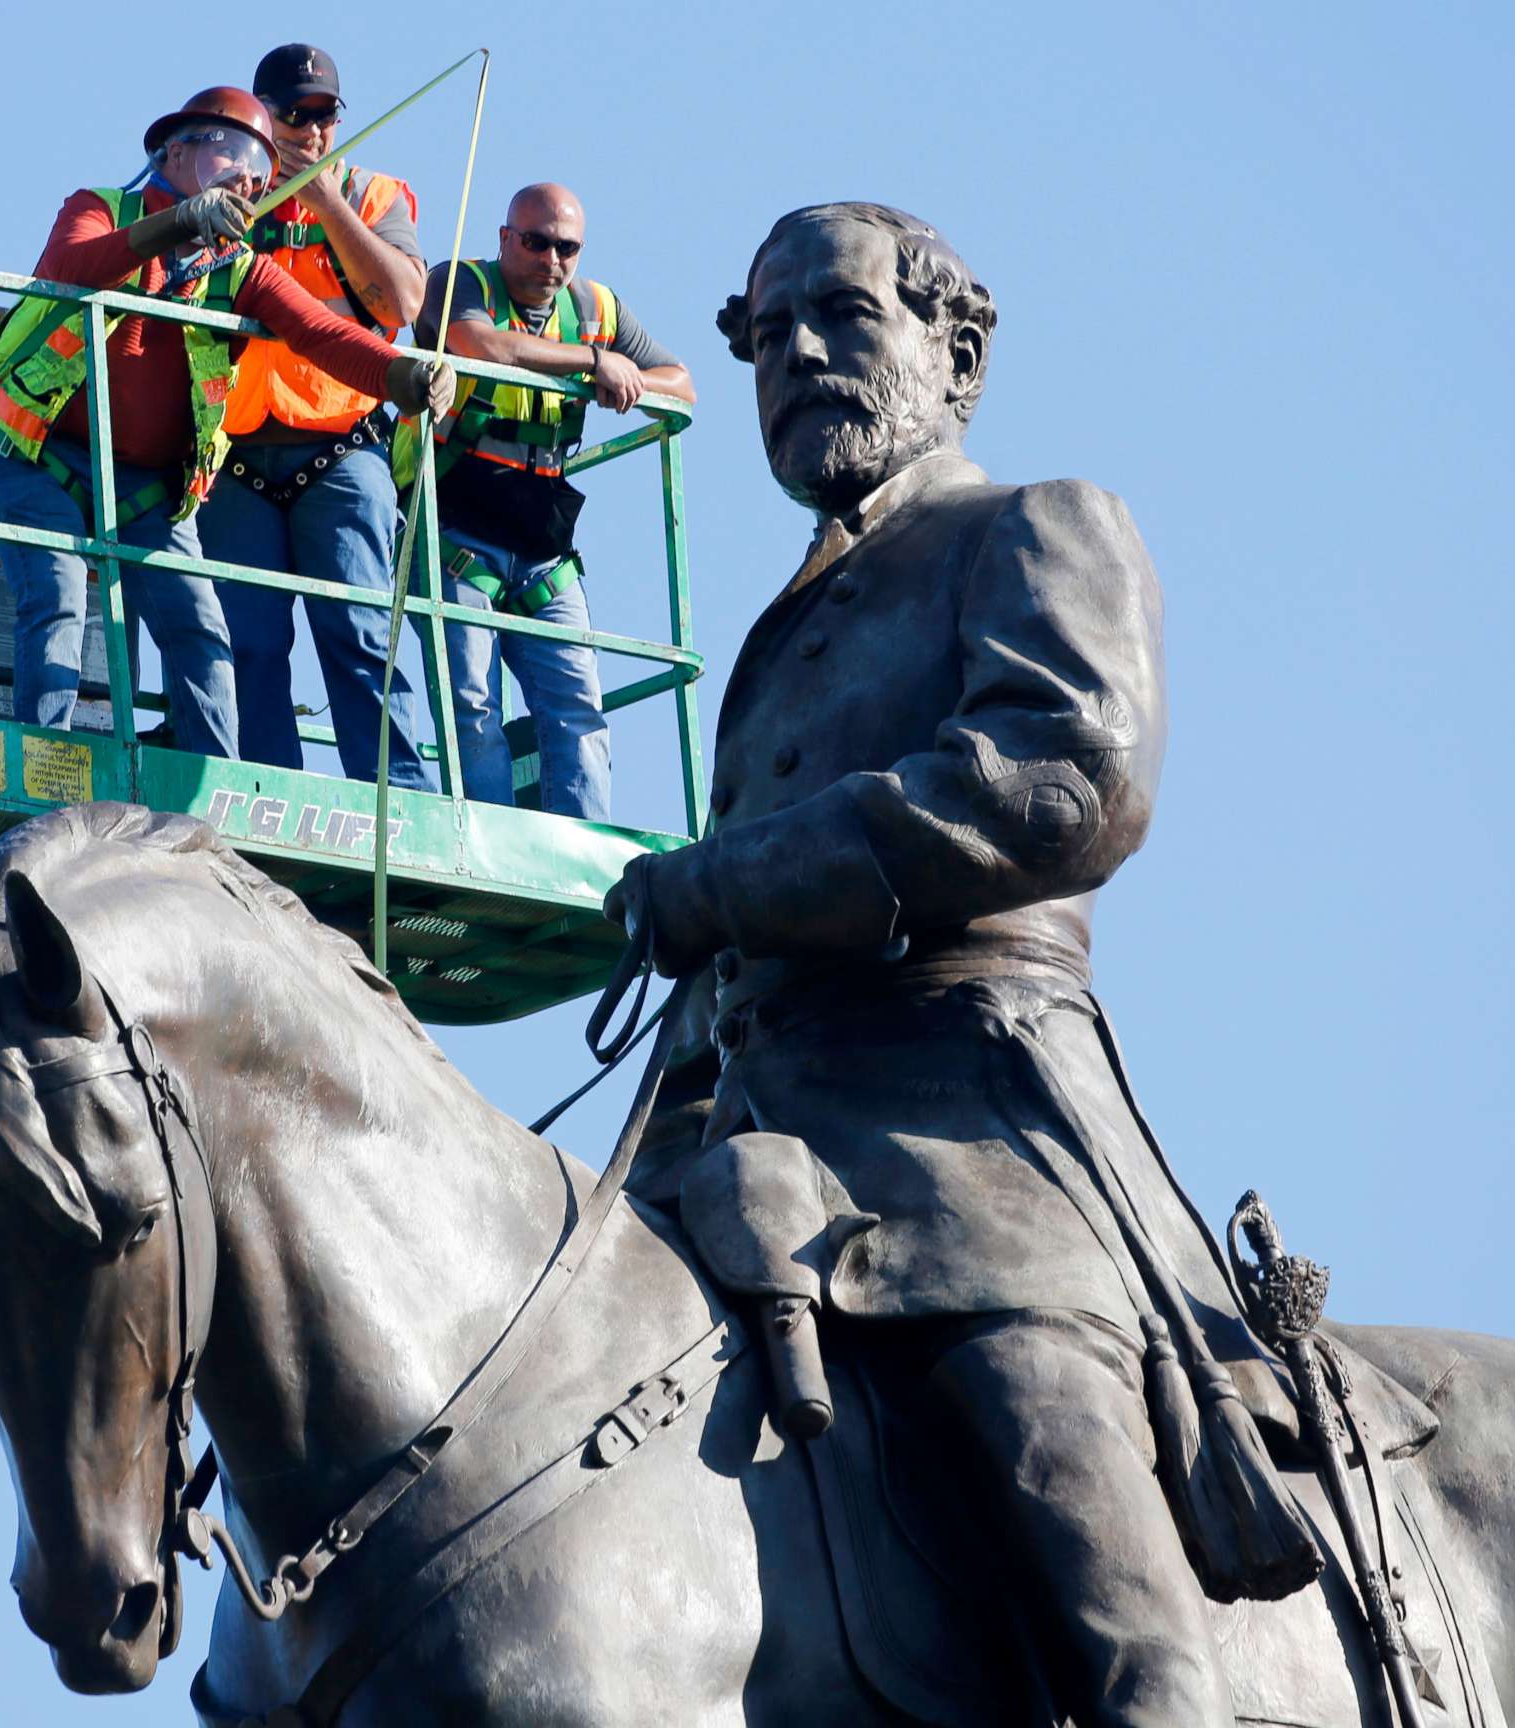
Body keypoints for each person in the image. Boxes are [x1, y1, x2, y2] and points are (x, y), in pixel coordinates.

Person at [605, 205, 1371, 1726]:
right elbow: (732, 969)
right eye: (766, 335)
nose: (796, 357)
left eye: (841, 317)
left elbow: (1067, 777)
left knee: (1070, 1515)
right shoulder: (780, 636)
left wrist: (728, 880)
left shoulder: (1035, 525)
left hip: (972, 1138)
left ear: (956, 355)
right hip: (750, 1151)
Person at [0, 87, 453, 745]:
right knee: (58, 601)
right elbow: (74, 268)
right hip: (32, 456)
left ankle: (211, 808)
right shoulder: (98, 209)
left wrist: (405, 375)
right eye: (230, 148)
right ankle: (44, 781)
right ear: (173, 150)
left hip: (143, 485)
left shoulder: (236, 267)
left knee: (201, 631)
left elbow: (320, 333)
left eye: (257, 160)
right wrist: (175, 224)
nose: (248, 172)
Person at [408, 184, 693, 820]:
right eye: (536, 242)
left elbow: (682, 385)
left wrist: (624, 372)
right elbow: (480, 345)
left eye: (567, 247)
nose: (551, 260)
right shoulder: (460, 280)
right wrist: (596, 362)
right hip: (458, 526)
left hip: (543, 542)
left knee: (578, 706)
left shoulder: (595, 305)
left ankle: (587, 852)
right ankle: (480, 843)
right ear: (506, 238)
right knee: (470, 702)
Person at [199, 44, 432, 788]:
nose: (308, 127)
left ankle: (399, 804)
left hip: (342, 449)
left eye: (322, 112)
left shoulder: (372, 194)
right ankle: (265, 797)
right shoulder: (219, 189)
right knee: (250, 642)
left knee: (361, 633)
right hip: (234, 454)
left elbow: (403, 303)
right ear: (259, 115)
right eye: (290, 113)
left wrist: (324, 197)